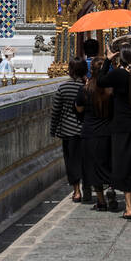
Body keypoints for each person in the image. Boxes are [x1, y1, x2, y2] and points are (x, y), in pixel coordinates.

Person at [97, 41, 131, 218]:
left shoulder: (118, 75)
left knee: (125, 163)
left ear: (121, 57)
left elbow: (100, 80)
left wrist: (107, 60)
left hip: (123, 126)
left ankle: (129, 208)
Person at [76, 66, 115, 210]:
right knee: (108, 164)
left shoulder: (85, 90)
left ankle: (101, 200)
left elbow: (79, 108)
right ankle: (111, 187)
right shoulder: (111, 90)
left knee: (93, 168)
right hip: (108, 131)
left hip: (90, 132)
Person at [50, 57, 89, 202]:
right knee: (85, 160)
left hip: (67, 130)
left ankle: (77, 191)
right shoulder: (87, 87)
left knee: (71, 161)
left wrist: (53, 130)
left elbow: (56, 111)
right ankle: (88, 189)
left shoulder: (63, 88)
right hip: (85, 129)